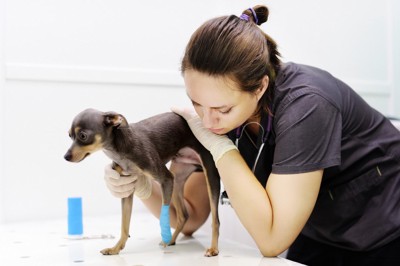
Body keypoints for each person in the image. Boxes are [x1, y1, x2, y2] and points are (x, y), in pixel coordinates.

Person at [104, 5, 400, 266]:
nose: (207, 121)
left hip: (385, 231)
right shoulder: (219, 111)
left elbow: (272, 241)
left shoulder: (307, 105)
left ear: (259, 87)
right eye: (196, 103)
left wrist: (221, 149)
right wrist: (143, 185)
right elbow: (191, 217)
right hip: (317, 231)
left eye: (222, 109)